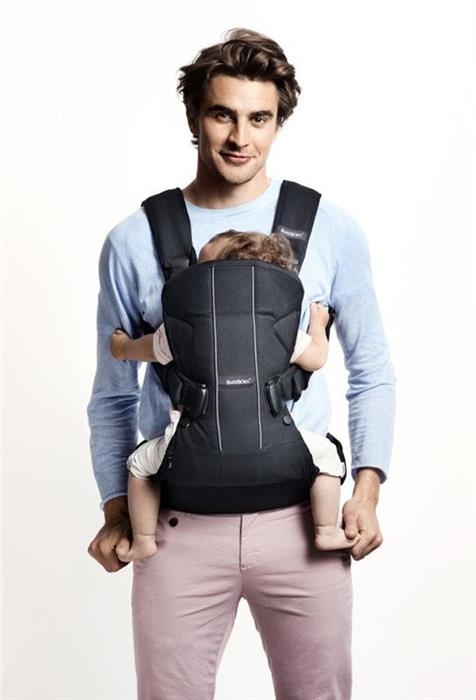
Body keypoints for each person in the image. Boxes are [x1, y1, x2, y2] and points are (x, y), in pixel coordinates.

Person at [87, 28, 395, 700]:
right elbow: (113, 394)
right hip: (176, 528)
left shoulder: (329, 228)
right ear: (194, 116)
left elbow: (370, 367)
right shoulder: (135, 240)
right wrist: (115, 509)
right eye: (222, 114)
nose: (239, 138)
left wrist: (366, 492)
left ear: (279, 122)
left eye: (260, 119)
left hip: (303, 524)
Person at [109, 230, 357, 563]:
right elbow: (316, 358)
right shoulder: (279, 328)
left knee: (140, 466)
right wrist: (317, 323)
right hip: (280, 449)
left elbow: (145, 349)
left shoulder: (180, 329)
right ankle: (326, 530)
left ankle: (143, 539)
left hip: (189, 452)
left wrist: (121, 347)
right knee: (327, 458)